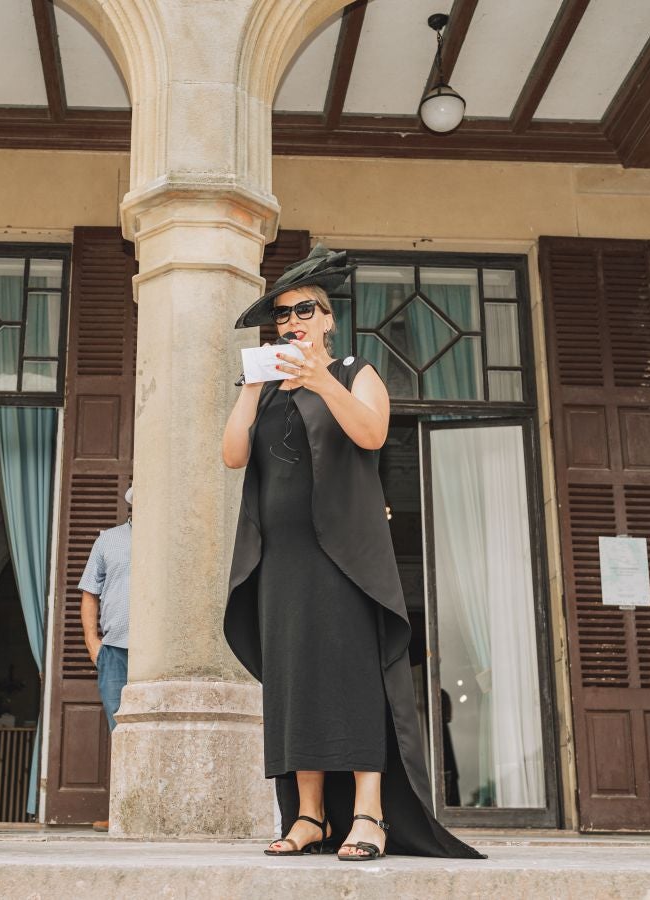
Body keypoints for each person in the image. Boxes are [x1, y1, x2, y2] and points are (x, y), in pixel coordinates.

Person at [221, 245, 482, 861]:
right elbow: (234, 456)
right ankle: (309, 816)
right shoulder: (263, 384)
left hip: (343, 555)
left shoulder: (352, 368)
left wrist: (319, 380)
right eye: (282, 317)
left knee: (353, 677)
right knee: (294, 681)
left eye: (303, 311)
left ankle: (369, 813)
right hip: (280, 560)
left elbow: (372, 432)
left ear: (328, 318)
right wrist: (251, 387)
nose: (292, 323)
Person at [79, 485, 133, 832]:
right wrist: (92, 642)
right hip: (115, 650)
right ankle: (122, 811)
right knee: (120, 732)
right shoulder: (108, 539)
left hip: (156, 655)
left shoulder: (172, 540)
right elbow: (89, 593)